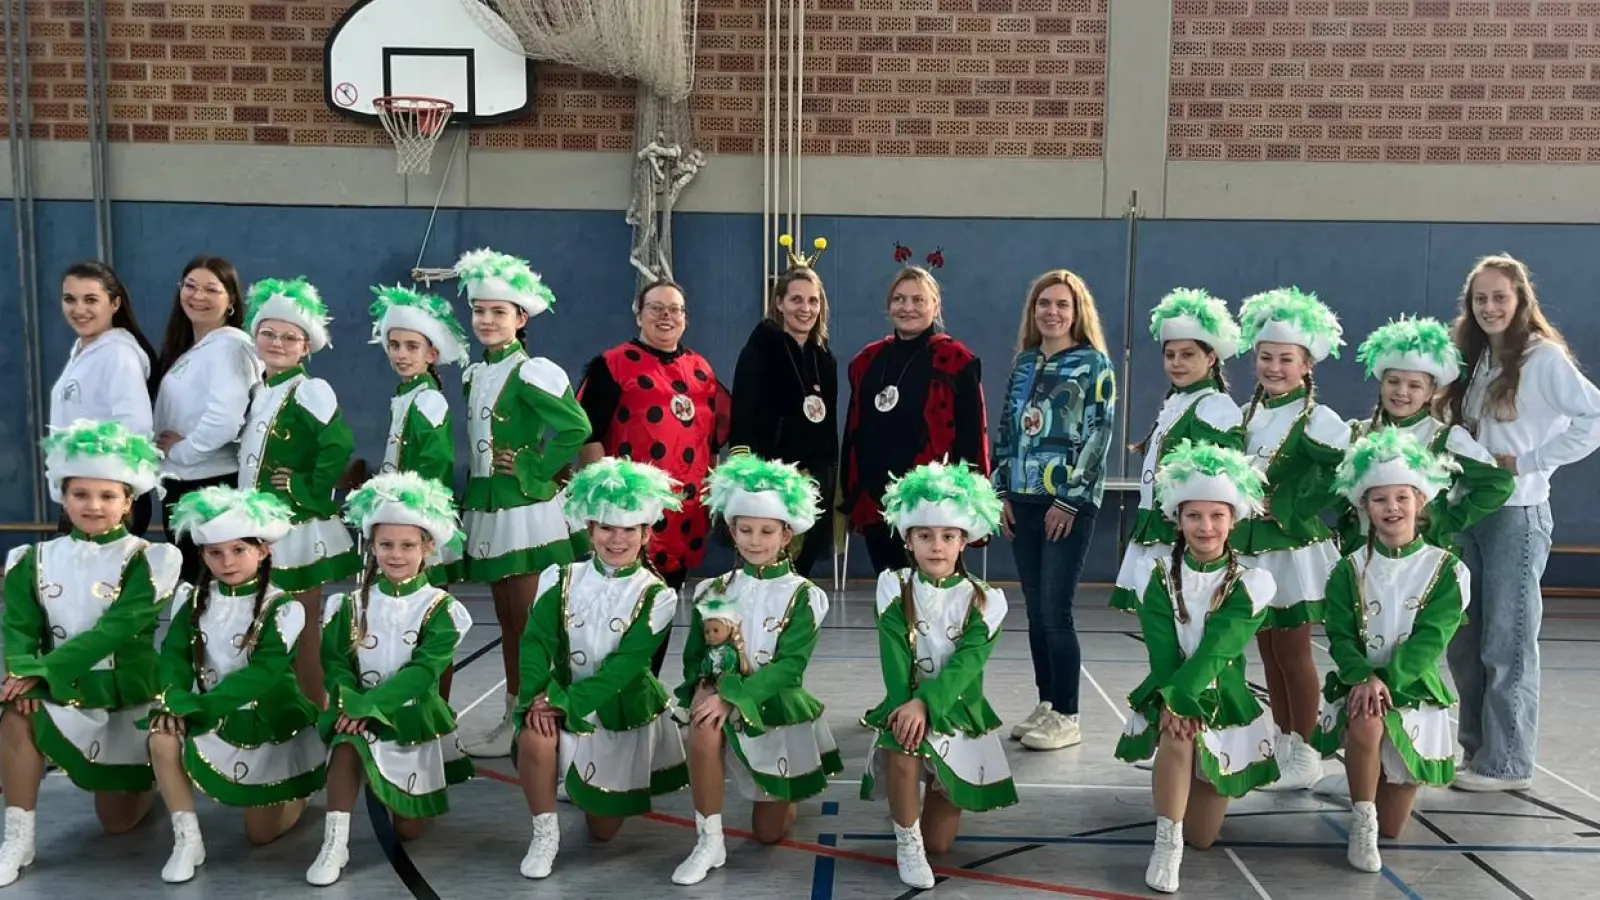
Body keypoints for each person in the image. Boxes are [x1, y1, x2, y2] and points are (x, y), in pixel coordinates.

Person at [1440, 254, 1600, 791]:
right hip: (1466, 511)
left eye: (1499, 297)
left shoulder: (1543, 357)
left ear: (1520, 300)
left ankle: (1508, 762)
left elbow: (1594, 416)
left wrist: (1531, 461)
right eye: (1480, 299)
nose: (1490, 307)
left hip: (1517, 515)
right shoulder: (1474, 356)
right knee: (1465, 640)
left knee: (1506, 642)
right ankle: (1476, 750)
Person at [0, 420, 181, 886]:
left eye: (107, 495)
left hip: (123, 697)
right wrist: (23, 672)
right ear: (63, 498)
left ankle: (152, 779)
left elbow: (114, 631)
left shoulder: (150, 559)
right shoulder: (30, 559)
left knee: (117, 824)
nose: (93, 505)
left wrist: (42, 670)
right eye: (80, 494)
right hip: (59, 688)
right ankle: (17, 839)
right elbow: (18, 627)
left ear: (128, 501)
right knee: (17, 711)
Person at [1114, 440, 1280, 894]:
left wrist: (1186, 697)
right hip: (1171, 686)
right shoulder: (1156, 576)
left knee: (1204, 836)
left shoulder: (1252, 584)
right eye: (1194, 516)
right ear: (1178, 518)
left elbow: (1219, 648)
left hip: (1221, 696)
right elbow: (1162, 650)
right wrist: (1177, 700)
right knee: (1177, 734)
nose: (1206, 527)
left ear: (1233, 519)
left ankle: (1184, 807)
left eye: (1216, 516)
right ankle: (1166, 843)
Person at [513, 457, 689, 879]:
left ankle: (579, 781)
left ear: (646, 534)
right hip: (560, 695)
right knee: (535, 736)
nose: (617, 539)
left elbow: (625, 667)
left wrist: (566, 702)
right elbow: (535, 641)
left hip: (617, 708)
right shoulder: (560, 577)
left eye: (629, 529)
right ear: (589, 529)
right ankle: (544, 834)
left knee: (603, 832)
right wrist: (537, 697)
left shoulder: (656, 596)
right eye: (607, 527)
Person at [671, 455, 841, 886]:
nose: (755, 540)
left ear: (787, 534)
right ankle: (709, 840)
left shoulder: (803, 595)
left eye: (767, 531)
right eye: (745, 529)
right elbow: (694, 654)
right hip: (719, 697)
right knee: (702, 726)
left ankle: (787, 792)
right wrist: (702, 688)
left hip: (772, 704)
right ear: (731, 531)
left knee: (768, 834)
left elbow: (790, 667)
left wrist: (735, 697)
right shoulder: (712, 590)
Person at [145, 486, 327, 883]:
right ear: (203, 556)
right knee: (161, 736)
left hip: (266, 721)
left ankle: (300, 786)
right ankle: (187, 840)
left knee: (260, 835)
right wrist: (174, 700)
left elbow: (262, 674)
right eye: (215, 553)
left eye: (238, 550)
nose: (226, 562)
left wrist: (198, 708)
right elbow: (174, 656)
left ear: (263, 551)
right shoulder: (193, 600)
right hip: (209, 711)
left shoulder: (283, 607)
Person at [453, 249, 591, 759]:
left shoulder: (532, 372)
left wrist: (534, 468)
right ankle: (516, 714)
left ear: (521, 318)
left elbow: (576, 426)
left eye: (499, 312)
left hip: (526, 512)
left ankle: (545, 717)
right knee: (509, 622)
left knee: (532, 624)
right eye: (479, 311)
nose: (487, 320)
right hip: (489, 506)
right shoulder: (474, 374)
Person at [307, 472, 475, 886]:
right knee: (347, 742)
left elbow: (422, 672)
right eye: (386, 545)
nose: (395, 555)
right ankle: (335, 842)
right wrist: (351, 701)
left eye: (407, 545)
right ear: (372, 546)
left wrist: (370, 706)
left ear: (428, 547)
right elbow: (336, 663)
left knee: (408, 831)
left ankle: (395, 787)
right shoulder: (348, 604)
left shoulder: (441, 608)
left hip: (409, 720)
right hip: (358, 717)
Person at [1313, 428, 1469, 872]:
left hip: (1411, 685)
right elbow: (1340, 635)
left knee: (1394, 827)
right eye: (1380, 499)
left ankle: (1365, 785)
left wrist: (1386, 678)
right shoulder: (1348, 569)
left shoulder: (1447, 569)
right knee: (1366, 722)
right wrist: (1363, 676)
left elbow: (1431, 638)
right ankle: (1361, 820)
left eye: (1402, 497)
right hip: (1362, 684)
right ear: (1364, 507)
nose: (1392, 507)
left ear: (1421, 501)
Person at [860, 461, 1018, 890]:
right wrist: (908, 705)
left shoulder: (986, 600)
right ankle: (906, 841)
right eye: (925, 536)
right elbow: (894, 658)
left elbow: (967, 666)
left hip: (957, 708)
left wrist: (928, 704)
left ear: (964, 541)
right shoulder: (894, 586)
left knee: (941, 844)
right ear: (908, 540)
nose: (936, 546)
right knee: (904, 742)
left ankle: (925, 796)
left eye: (948, 536)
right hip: (905, 702)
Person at [1231, 287, 1350, 792]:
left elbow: (1349, 469)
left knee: (1294, 652)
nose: (1274, 367)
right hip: (1249, 547)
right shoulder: (1247, 412)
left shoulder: (1317, 419)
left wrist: (1294, 503)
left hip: (1292, 551)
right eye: (1266, 357)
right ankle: (1283, 740)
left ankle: (1307, 751)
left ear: (1307, 365)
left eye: (1285, 359)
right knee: (1268, 651)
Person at [993, 270, 1116, 752]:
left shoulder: (1093, 364)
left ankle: (1068, 713)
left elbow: (1099, 434)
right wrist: (1001, 491)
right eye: (1044, 303)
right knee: (1034, 611)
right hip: (1021, 500)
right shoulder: (1024, 363)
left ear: (1077, 312)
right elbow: (1007, 430)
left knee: (1055, 610)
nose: (1053, 312)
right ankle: (1047, 702)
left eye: (1063, 304)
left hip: (1067, 503)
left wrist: (1069, 498)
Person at [577, 279, 723, 674]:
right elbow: (587, 435)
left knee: (660, 609)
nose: (666, 316)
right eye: (656, 308)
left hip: (682, 519)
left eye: (675, 309)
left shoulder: (701, 370)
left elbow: (714, 438)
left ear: (686, 318)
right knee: (621, 611)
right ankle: (610, 694)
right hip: (629, 519)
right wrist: (605, 506)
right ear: (638, 313)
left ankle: (646, 693)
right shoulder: (612, 364)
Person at [237, 277, 360, 708]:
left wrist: (302, 486)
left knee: (303, 628)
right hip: (257, 526)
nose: (277, 343)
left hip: (294, 530)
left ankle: (315, 711)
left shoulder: (309, 389)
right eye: (268, 333)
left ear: (306, 346)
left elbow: (338, 443)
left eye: (289, 337)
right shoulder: (260, 390)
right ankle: (281, 711)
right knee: (268, 626)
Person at [842, 259, 989, 573]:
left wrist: (972, 501)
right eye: (899, 299)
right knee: (891, 592)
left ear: (935, 306)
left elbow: (974, 438)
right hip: (877, 502)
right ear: (889, 306)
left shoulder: (957, 360)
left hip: (934, 506)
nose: (907, 307)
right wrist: (852, 493)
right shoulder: (867, 360)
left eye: (918, 300)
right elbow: (853, 430)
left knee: (934, 593)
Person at [1110, 287, 1244, 613]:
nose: (1176, 363)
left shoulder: (1214, 406)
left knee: (1185, 618)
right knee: (1159, 620)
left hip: (1183, 536)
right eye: (1170, 355)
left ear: (1211, 358)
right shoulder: (1178, 401)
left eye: (1187, 355)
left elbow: (1224, 475)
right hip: (1157, 527)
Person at [1335, 317, 1513, 553]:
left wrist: (1445, 522)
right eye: (1393, 382)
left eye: (1414, 386)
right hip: (1361, 551)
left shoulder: (1445, 437)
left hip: (1424, 554)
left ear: (1430, 392)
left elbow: (1499, 484)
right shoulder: (1356, 433)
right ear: (1382, 383)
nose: (1401, 392)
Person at [729, 241, 839, 577]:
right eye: (796, 299)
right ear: (779, 303)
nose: (805, 308)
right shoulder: (759, 350)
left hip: (814, 480)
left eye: (813, 301)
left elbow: (827, 423)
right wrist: (745, 471)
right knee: (764, 565)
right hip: (769, 477)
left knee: (801, 570)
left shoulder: (825, 358)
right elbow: (742, 415)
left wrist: (829, 475)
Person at [153, 256, 262, 584]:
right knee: (194, 589)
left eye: (211, 289)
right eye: (190, 286)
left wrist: (182, 451)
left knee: (208, 588)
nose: (197, 296)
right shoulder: (196, 347)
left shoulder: (229, 345)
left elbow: (225, 420)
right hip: (186, 483)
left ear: (231, 299)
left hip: (209, 486)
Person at [369, 283, 469, 588]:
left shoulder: (428, 399)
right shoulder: (407, 395)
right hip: (401, 513)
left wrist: (417, 516)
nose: (401, 354)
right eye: (394, 345)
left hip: (418, 516)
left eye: (412, 347)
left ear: (432, 354)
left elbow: (436, 463)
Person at [51, 261, 159, 535]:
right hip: (83, 496)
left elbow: (135, 427)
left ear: (114, 304)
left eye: (90, 300)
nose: (79, 309)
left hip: (105, 502)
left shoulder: (118, 354)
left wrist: (105, 496)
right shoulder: (85, 349)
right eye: (70, 299)